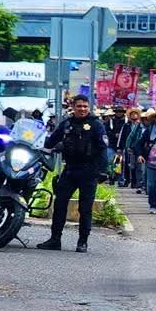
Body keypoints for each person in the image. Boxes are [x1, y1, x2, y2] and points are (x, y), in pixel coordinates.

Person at [37, 95, 108, 253]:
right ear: (73, 107)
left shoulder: (96, 125)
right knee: (60, 205)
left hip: (89, 171)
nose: (82, 109)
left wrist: (104, 171)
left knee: (85, 208)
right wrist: (40, 146)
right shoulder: (67, 123)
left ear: (88, 107)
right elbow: (50, 141)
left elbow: (103, 148)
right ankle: (55, 240)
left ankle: (82, 242)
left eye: (85, 106)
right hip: (70, 170)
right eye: (79, 106)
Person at [116, 107, 143, 189]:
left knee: (137, 166)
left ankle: (136, 182)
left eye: (135, 114)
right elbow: (122, 137)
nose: (134, 115)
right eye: (132, 114)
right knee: (128, 165)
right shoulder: (126, 125)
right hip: (128, 148)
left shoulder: (140, 126)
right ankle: (127, 180)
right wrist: (120, 147)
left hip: (138, 148)